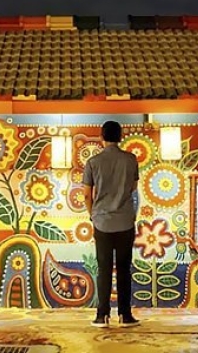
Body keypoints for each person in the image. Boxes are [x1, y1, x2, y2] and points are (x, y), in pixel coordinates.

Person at [82, 120, 140, 328]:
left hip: (102, 223)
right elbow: (133, 190)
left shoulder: (93, 162)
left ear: (101, 137)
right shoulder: (131, 159)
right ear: (120, 136)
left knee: (104, 269)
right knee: (124, 269)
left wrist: (93, 215)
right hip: (125, 221)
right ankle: (125, 316)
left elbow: (87, 194)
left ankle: (102, 315)